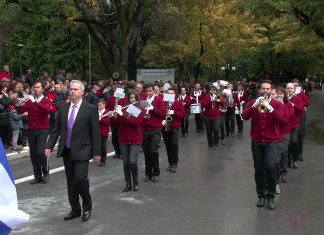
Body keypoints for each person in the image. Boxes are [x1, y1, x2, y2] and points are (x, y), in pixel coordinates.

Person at [45, 80, 101, 222]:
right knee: (71, 181)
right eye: (71, 89)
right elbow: (56, 129)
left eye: (76, 89)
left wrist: (97, 152)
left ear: (82, 92)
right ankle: (75, 209)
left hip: (83, 149)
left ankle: (87, 206)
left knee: (80, 178)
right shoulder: (63, 108)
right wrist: (49, 146)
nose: (72, 91)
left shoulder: (90, 109)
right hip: (67, 149)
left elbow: (95, 132)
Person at [242, 80, 284, 210]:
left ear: (271, 91)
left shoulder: (277, 104)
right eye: (263, 88)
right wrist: (254, 105)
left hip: (272, 141)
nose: (265, 91)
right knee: (259, 169)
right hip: (257, 141)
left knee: (270, 167)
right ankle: (261, 195)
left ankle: (271, 196)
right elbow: (244, 116)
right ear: (260, 90)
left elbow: (282, 120)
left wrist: (270, 108)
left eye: (268, 89)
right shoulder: (254, 103)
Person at [18, 81, 51, 184]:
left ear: (42, 89)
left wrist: (35, 102)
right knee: (33, 154)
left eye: (38, 87)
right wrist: (17, 102)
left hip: (42, 130)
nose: (36, 89)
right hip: (31, 130)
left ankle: (45, 172)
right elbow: (21, 110)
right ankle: (37, 176)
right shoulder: (30, 101)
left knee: (40, 152)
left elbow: (46, 110)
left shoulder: (46, 100)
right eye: (35, 87)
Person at [115, 91, 145, 192]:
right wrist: (114, 113)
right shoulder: (125, 108)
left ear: (137, 99)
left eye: (134, 98)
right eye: (130, 98)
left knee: (132, 161)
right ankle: (128, 183)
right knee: (125, 162)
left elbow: (135, 122)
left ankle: (135, 181)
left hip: (135, 139)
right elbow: (117, 122)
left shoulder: (140, 109)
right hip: (123, 139)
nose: (132, 99)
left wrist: (121, 114)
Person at [142, 83, 165, 182]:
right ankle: (148, 173)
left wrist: (153, 109)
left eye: (150, 91)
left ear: (153, 91)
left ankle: (156, 172)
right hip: (145, 129)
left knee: (153, 151)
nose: (148, 93)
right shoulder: (143, 100)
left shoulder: (159, 100)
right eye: (146, 91)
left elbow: (162, 114)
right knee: (146, 153)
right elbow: (139, 112)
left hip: (155, 129)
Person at [162, 89, 185, 172]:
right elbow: (160, 114)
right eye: (168, 94)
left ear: (174, 95)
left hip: (175, 127)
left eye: (171, 94)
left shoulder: (178, 103)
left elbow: (182, 115)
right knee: (168, 145)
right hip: (165, 126)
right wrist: (162, 120)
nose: (170, 95)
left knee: (174, 144)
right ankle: (170, 163)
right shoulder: (163, 103)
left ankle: (175, 163)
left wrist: (174, 112)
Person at [286, 83, 304, 169]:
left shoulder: (297, 98)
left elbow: (301, 110)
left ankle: (295, 159)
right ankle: (288, 159)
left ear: (294, 89)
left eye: (291, 88)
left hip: (294, 124)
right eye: (288, 88)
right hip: (285, 124)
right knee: (287, 143)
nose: (289, 90)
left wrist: (293, 105)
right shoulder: (283, 98)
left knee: (293, 141)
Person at [98, 99, 110, 166]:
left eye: (100, 105)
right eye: (98, 105)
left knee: (103, 146)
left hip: (104, 132)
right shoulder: (97, 111)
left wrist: (100, 119)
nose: (99, 106)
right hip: (97, 132)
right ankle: (98, 158)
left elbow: (107, 122)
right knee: (98, 145)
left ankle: (103, 160)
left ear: (104, 105)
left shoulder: (106, 112)